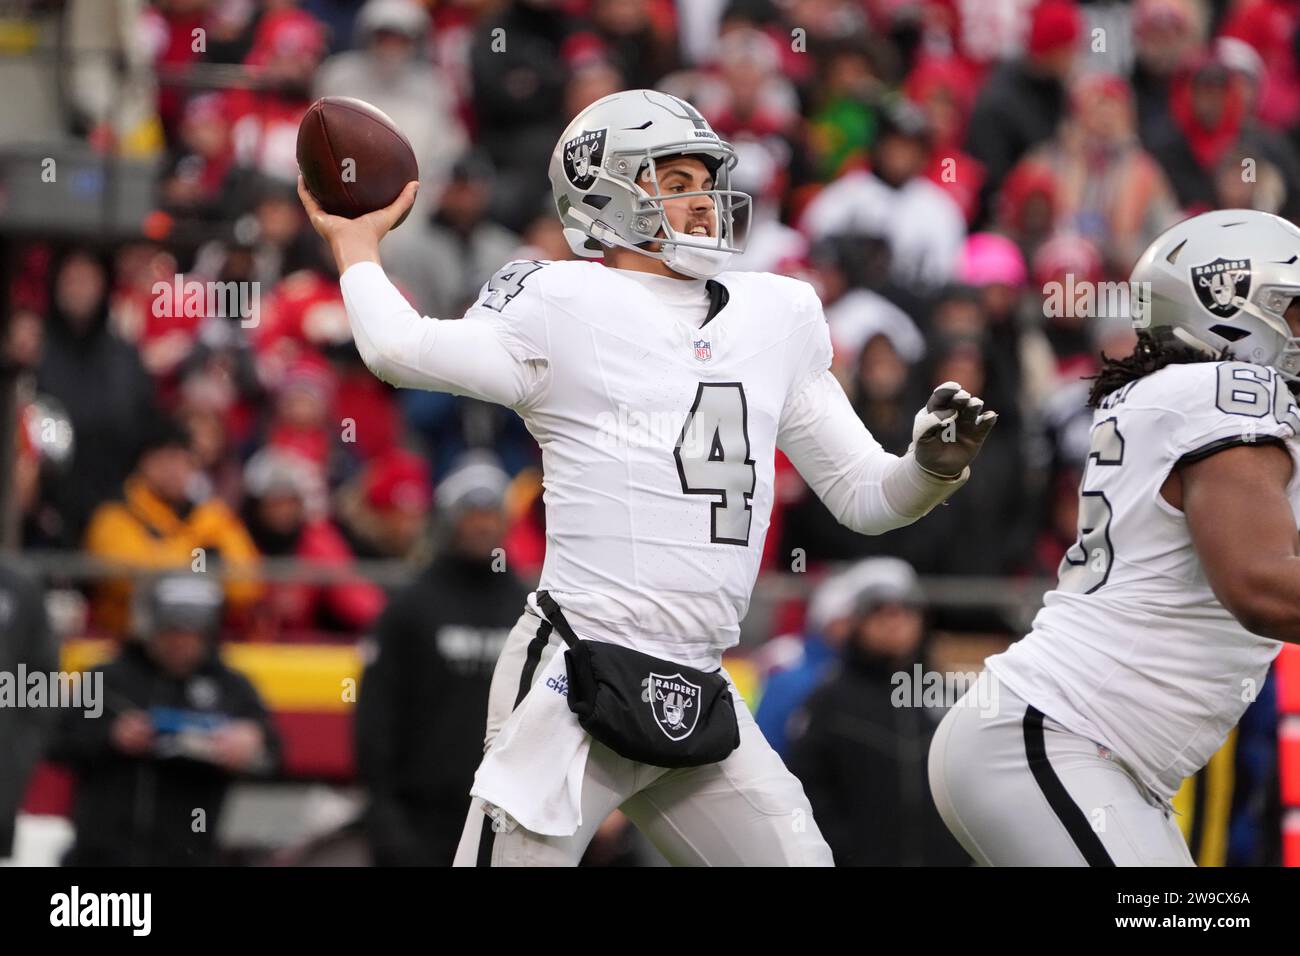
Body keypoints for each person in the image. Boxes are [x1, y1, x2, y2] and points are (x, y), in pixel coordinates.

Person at [299, 88, 997, 867]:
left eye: (706, 180)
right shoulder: (560, 297)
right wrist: (355, 245)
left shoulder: (778, 315)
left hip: (700, 676)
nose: (703, 202)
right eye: (675, 182)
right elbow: (400, 349)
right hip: (576, 667)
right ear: (604, 191)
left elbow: (867, 498)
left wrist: (930, 467)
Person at [929, 208, 1300, 865]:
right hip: (1056, 739)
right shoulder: (1230, 391)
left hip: (1081, 753)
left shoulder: (1187, 395)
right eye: (1294, 311)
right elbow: (1262, 585)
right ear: (1230, 308)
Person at [355, 453, 528, 865]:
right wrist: (383, 812)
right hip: (422, 821)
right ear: (449, 518)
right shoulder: (410, 607)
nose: (483, 523)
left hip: (509, 816)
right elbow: (376, 717)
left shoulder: (530, 609)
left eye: (492, 511)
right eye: (472, 511)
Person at [53, 574, 280, 866]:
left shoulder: (231, 688)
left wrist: (249, 745)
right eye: (172, 631)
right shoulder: (108, 680)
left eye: (191, 633)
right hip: (101, 857)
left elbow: (273, 755)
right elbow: (58, 741)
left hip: (188, 854)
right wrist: (112, 737)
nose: (181, 643)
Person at [786, 558, 971, 866]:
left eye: (906, 609)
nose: (895, 620)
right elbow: (805, 790)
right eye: (880, 610)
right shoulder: (828, 702)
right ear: (857, 621)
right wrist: (844, 852)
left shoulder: (951, 697)